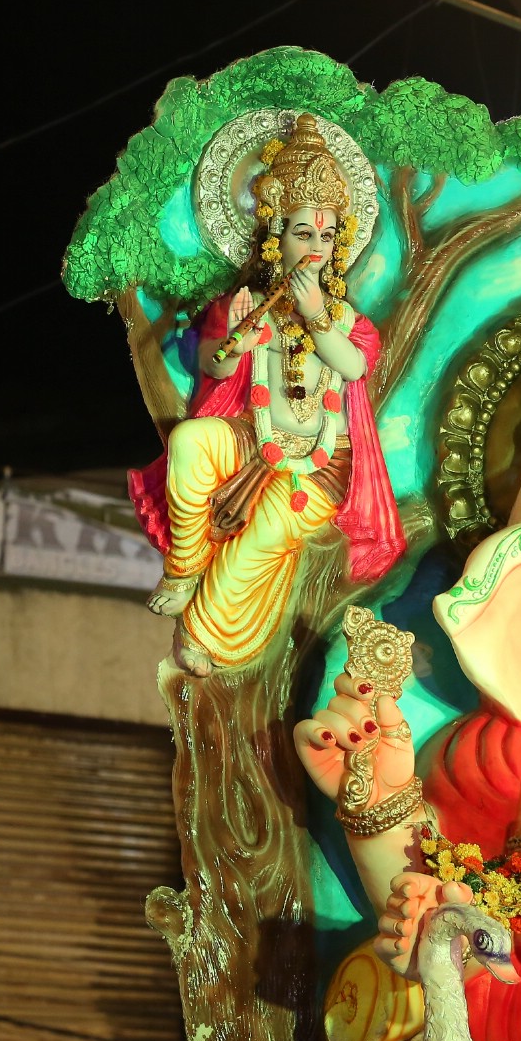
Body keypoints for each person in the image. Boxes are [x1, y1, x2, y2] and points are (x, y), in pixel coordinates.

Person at [131, 113, 402, 676]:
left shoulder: (349, 321)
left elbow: (353, 367)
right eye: (304, 233)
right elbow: (210, 362)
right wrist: (236, 343)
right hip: (253, 443)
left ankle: (205, 636)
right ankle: (184, 568)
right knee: (190, 442)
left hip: (319, 469)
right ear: (276, 236)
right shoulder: (246, 305)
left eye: (327, 236)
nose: (316, 247)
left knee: (262, 540)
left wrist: (315, 317)